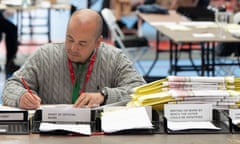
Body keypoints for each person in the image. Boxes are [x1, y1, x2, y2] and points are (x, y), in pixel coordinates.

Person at [1, 9, 146, 110]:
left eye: (82, 43)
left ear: (98, 42)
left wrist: (104, 97)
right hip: (51, 136)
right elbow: (11, 86)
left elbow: (142, 91)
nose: (73, 48)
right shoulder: (45, 55)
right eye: (69, 39)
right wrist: (21, 96)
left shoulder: (114, 59)